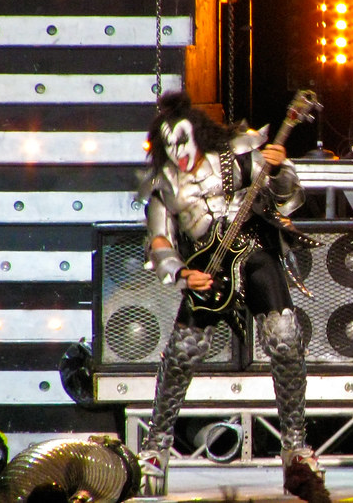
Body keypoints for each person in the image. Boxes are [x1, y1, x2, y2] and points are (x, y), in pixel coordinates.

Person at [135, 92, 330, 503]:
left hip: (253, 252)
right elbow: (159, 240)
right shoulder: (164, 184)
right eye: (171, 146)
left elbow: (287, 198)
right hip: (207, 268)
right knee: (182, 351)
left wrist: (279, 169)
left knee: (285, 338)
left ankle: (295, 447)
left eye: (184, 141)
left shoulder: (237, 156)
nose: (180, 152)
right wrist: (182, 273)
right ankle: (156, 446)